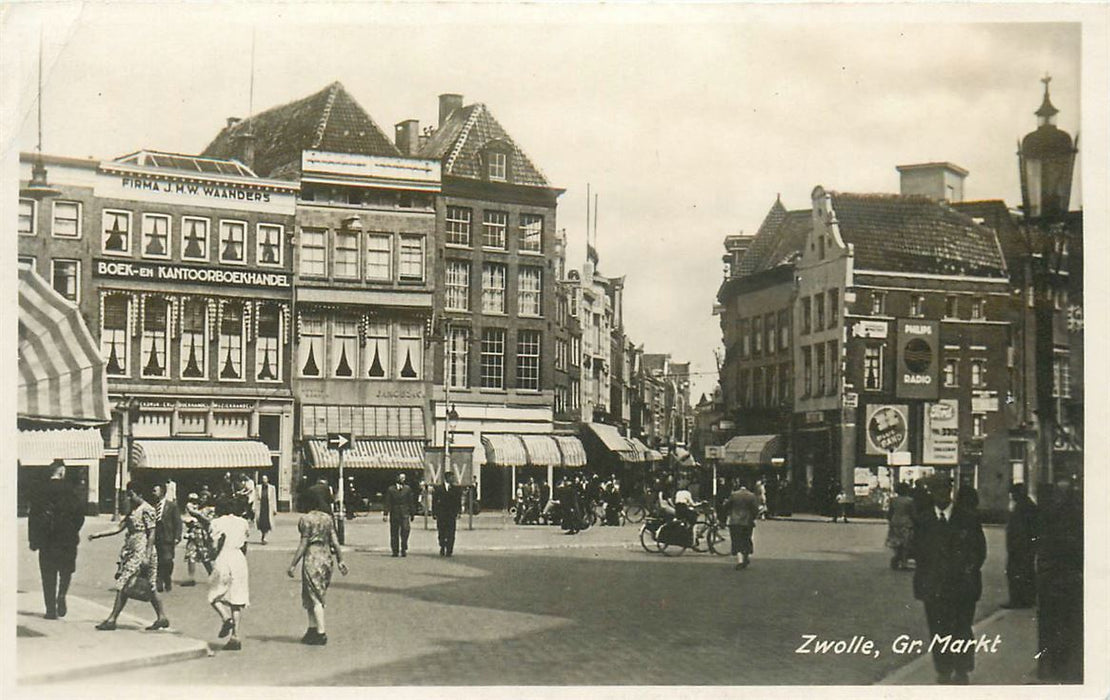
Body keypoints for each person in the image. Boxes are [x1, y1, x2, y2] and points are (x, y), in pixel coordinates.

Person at [912, 475, 986, 685]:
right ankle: (943, 669)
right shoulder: (924, 520)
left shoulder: (967, 518)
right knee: (938, 628)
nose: (941, 495)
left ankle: (962, 669)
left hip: (962, 585)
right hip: (933, 586)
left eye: (945, 490)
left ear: (950, 491)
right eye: (936, 491)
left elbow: (979, 550)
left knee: (962, 628)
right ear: (932, 494)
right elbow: (916, 550)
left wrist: (967, 570)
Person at [88, 482, 169, 631]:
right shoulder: (133, 510)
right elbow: (119, 527)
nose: (129, 497)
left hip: (142, 550)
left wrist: (147, 554)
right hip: (133, 550)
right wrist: (98, 534)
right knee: (150, 586)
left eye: (131, 494)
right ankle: (162, 617)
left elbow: (151, 533)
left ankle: (112, 619)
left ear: (140, 494)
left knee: (123, 582)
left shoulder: (147, 510)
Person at [287, 489, 347, 645]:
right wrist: (341, 560)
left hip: (312, 557)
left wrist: (293, 564)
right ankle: (311, 629)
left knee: (315, 596)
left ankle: (321, 632)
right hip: (326, 557)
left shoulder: (306, 519)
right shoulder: (327, 519)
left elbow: (303, 544)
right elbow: (335, 540)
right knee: (313, 594)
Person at [27, 461, 85, 619]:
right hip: (67, 539)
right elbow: (80, 515)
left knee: (48, 574)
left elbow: (33, 516)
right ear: (61, 472)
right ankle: (62, 594)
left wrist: (33, 539)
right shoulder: (71, 491)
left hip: (47, 540)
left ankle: (50, 610)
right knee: (66, 570)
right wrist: (73, 530)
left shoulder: (40, 490)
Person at [207, 497, 250, 650]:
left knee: (214, 594)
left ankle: (225, 618)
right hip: (239, 559)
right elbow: (245, 544)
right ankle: (235, 637)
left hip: (224, 557)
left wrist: (211, 555)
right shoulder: (243, 522)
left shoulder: (217, 522)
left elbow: (214, 545)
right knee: (236, 600)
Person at [1002, 482, 1038, 609]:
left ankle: (1017, 600)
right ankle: (1027, 599)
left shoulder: (1022, 508)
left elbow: (1020, 530)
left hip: (1020, 547)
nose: (1012, 497)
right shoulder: (1028, 506)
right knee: (1026, 573)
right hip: (1023, 547)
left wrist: (1015, 545)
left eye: (1013, 494)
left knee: (1016, 573)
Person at [150, 482, 183, 593]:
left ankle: (167, 578)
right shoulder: (152, 506)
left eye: (155, 491)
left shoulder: (171, 506)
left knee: (168, 560)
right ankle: (159, 580)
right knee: (158, 560)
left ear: (162, 492)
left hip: (168, 537)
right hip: (156, 537)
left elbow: (178, 522)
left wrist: (177, 536)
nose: (153, 493)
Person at [726, 478, 760, 570]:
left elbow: (727, 506)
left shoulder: (734, 495)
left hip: (735, 521)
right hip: (747, 521)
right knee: (746, 539)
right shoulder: (751, 496)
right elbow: (755, 509)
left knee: (737, 540)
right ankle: (746, 556)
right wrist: (753, 517)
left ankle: (740, 560)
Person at [182, 493, 214, 585]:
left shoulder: (210, 509)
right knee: (191, 554)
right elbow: (187, 518)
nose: (202, 499)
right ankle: (191, 578)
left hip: (203, 534)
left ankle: (212, 575)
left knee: (205, 555)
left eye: (205, 498)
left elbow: (208, 521)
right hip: (193, 533)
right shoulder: (194, 508)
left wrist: (197, 515)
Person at [383, 472, 415, 557]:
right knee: (394, 533)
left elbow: (410, 502)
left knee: (405, 530)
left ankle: (404, 547)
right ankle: (395, 550)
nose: (402, 479)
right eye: (401, 478)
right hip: (394, 513)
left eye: (404, 478)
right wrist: (385, 514)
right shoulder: (391, 489)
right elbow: (388, 502)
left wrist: (412, 513)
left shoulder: (407, 489)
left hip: (405, 513)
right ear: (397, 478)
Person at [885, 482, 916, 570]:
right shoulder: (910, 500)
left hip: (895, 522)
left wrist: (890, 521)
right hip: (906, 522)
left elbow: (890, 512)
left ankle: (896, 557)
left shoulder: (893, 500)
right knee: (906, 543)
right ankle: (904, 562)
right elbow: (912, 513)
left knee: (897, 542)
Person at [433, 469, 463, 556]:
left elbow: (458, 501)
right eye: (451, 477)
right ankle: (442, 546)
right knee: (441, 531)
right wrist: (434, 512)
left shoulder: (456, 489)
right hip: (441, 514)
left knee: (451, 532)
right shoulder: (439, 489)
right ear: (447, 478)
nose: (453, 479)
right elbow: (435, 501)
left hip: (451, 514)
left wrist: (459, 511)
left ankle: (449, 549)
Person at [254, 475, 277, 545]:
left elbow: (273, 498)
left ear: (267, 480)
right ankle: (263, 534)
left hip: (268, 507)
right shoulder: (258, 487)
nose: (264, 480)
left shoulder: (272, 488)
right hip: (261, 507)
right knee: (261, 522)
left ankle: (265, 537)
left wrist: (274, 509)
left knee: (267, 522)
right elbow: (256, 497)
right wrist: (254, 507)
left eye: (265, 479)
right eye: (263, 479)